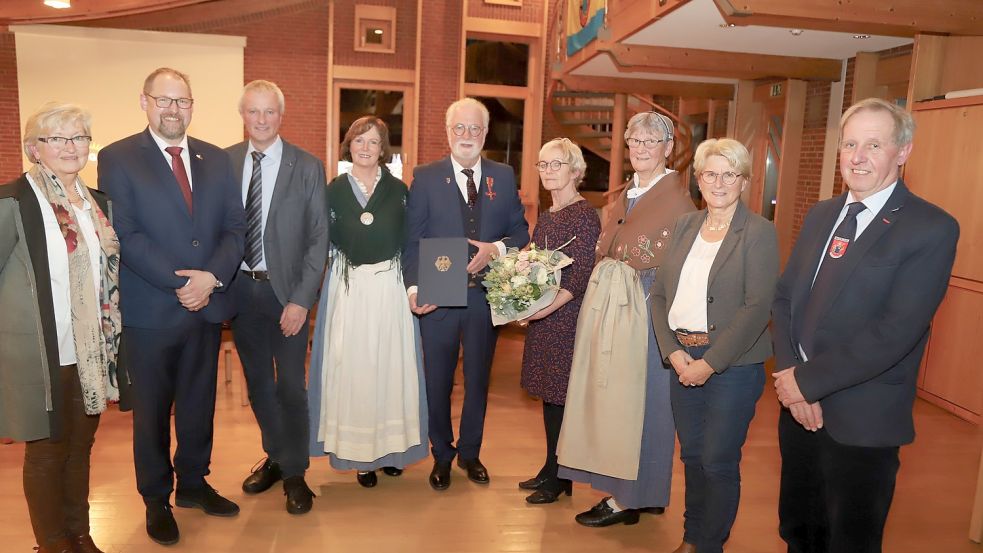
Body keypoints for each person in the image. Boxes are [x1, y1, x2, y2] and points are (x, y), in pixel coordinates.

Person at [772, 97, 959, 553]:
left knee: (851, 541)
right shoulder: (820, 216)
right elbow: (784, 301)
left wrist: (806, 382)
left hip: (861, 421)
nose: (857, 157)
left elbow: (895, 331)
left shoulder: (930, 228)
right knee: (798, 532)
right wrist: (791, 379)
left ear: (903, 151)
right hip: (798, 410)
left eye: (873, 145)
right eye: (850, 144)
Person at [98, 67, 246, 546]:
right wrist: (181, 283)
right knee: (153, 412)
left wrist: (211, 279)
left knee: (200, 405)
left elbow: (234, 230)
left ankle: (194, 485)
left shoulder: (217, 160)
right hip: (153, 310)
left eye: (181, 101)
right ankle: (156, 498)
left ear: (192, 106)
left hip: (205, 307)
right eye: (163, 100)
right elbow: (128, 235)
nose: (172, 109)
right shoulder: (118, 158)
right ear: (144, 102)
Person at [558, 111, 695, 526]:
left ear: (669, 148)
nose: (641, 149)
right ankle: (642, 492)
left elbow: (676, 268)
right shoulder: (629, 193)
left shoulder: (678, 201)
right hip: (615, 313)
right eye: (635, 141)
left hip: (647, 314)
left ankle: (630, 499)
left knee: (646, 405)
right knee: (617, 402)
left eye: (651, 142)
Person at [0, 103, 121, 553]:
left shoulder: (97, 204)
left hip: (89, 350)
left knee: (80, 447)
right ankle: (51, 543)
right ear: (34, 149)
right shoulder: (12, 202)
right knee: (47, 451)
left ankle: (80, 533)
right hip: (37, 349)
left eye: (80, 137)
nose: (71, 147)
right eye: (58, 138)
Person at [651, 138, 778, 553]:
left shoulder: (759, 232)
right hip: (682, 357)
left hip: (733, 366)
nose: (719, 182)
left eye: (729, 174)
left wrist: (711, 363)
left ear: (743, 181)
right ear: (699, 180)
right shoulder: (687, 225)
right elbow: (659, 297)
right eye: (710, 173)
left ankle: (709, 545)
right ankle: (692, 538)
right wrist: (672, 352)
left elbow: (757, 308)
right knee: (690, 457)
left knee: (717, 461)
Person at [402, 97, 529, 491]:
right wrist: (414, 288)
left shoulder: (503, 176)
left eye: (475, 128)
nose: (467, 135)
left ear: (486, 133)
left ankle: (471, 453)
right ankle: (442, 453)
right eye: (460, 128)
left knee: (478, 381)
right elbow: (412, 241)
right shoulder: (425, 177)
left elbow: (521, 233)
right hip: (438, 298)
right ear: (448, 131)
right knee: (437, 381)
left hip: (484, 300)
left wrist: (496, 249)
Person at [307, 116, 428, 488]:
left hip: (390, 289)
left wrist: (417, 285)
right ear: (348, 145)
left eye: (373, 142)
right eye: (358, 140)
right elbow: (318, 240)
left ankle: (392, 452)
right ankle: (361, 456)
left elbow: (413, 242)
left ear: (382, 149)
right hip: (349, 290)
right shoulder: (332, 190)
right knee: (356, 369)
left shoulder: (400, 190)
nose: (365, 148)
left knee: (391, 369)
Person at [226, 80, 328, 514]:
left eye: (269, 112)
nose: (262, 120)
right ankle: (277, 458)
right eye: (254, 111)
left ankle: (297, 474)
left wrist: (302, 300)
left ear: (281, 116)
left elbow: (318, 239)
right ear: (243, 115)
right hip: (241, 292)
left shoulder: (307, 166)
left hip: (287, 295)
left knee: (290, 385)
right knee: (258, 385)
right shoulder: (224, 162)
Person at [518, 138, 601, 505]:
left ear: (575, 170)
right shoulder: (549, 214)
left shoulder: (584, 215)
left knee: (561, 398)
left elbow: (580, 274)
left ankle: (561, 476)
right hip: (545, 316)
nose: (548, 171)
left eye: (556, 164)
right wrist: (519, 301)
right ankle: (552, 468)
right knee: (551, 399)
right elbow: (538, 267)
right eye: (543, 165)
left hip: (566, 318)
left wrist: (544, 310)